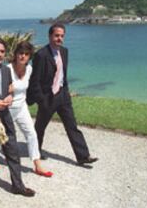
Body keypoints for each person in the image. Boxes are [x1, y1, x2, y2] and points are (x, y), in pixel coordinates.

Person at [27, 23, 98, 165]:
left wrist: (65, 91)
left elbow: (62, 74)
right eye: (56, 35)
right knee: (40, 127)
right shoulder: (41, 55)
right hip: (48, 97)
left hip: (63, 96)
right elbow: (35, 80)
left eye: (62, 36)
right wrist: (41, 100)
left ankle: (83, 156)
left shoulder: (64, 52)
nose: (59, 38)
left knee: (72, 125)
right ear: (50, 36)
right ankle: (36, 151)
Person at [0, 37, 35, 197]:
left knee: (12, 150)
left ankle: (17, 185)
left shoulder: (6, 70)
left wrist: (10, 97)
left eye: (2, 51)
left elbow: (10, 89)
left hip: (4, 117)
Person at [0, 41, 53, 177]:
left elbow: (31, 87)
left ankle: (37, 165)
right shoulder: (6, 69)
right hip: (7, 109)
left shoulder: (29, 69)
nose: (23, 57)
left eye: (26, 54)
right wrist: (7, 92)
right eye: (20, 53)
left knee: (31, 134)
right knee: (0, 135)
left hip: (22, 107)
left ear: (29, 56)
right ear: (16, 54)